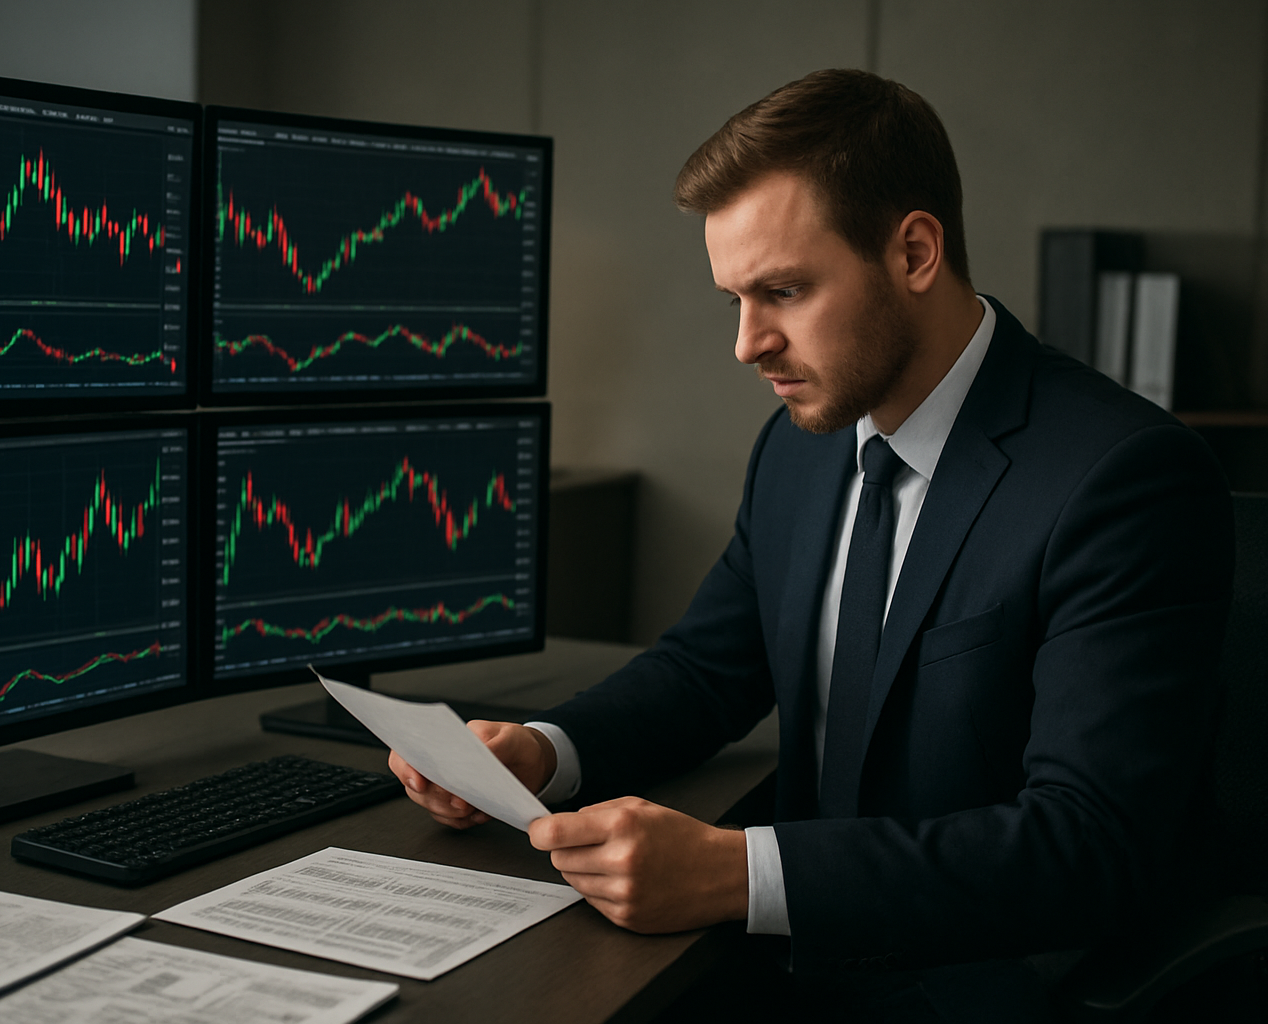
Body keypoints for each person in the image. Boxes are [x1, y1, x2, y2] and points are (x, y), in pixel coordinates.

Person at [390, 69, 1234, 1019]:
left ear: (914, 251)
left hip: (993, 986)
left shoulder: (1122, 476)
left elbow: (1087, 844)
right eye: (735, 299)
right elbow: (708, 668)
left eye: (783, 291)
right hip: (791, 966)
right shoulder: (805, 447)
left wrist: (732, 873)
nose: (749, 343)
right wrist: (548, 751)